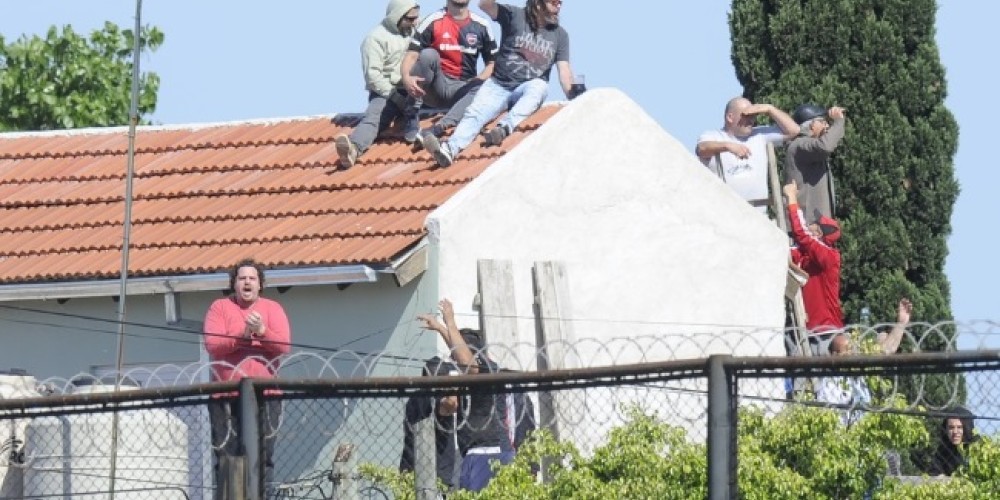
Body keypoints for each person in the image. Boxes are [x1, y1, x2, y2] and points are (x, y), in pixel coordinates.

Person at [423, 0, 581, 168]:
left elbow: (564, 72)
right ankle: (449, 149)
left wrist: (577, 100)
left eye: (560, 2)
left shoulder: (560, 35)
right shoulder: (514, 15)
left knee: (540, 87)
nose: (559, 5)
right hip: (499, 84)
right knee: (475, 114)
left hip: (526, 87)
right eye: (554, 1)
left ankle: (505, 127)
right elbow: (484, 5)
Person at [418, 298, 535, 492]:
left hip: (491, 455)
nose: (454, 360)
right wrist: (440, 328)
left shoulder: (484, 368)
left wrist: (450, 321)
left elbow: (468, 362)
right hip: (474, 455)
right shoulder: (467, 376)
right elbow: (461, 357)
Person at [203, 259, 291, 493]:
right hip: (226, 395)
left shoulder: (273, 309)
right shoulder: (220, 307)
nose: (247, 282)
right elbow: (212, 344)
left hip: (266, 396)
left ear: (260, 284)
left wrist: (262, 332)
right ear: (234, 284)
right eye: (242, 278)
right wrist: (242, 335)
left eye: (252, 278)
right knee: (228, 457)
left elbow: (283, 346)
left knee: (263, 457)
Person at [334, 0, 421, 169]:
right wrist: (395, 97)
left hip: (417, 87)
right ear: (397, 16)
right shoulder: (375, 39)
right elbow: (373, 76)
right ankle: (353, 148)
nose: (414, 22)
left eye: (416, 18)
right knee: (375, 118)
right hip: (387, 92)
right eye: (410, 19)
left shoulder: (416, 31)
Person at [401, 0, 498, 145]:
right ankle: (411, 114)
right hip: (436, 87)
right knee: (428, 54)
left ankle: (439, 127)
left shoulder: (482, 25)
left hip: (462, 89)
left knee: (485, 86)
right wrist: (405, 77)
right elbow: (411, 55)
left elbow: (492, 63)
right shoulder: (433, 20)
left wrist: (478, 80)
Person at [696, 97, 798, 213]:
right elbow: (701, 149)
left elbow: (793, 131)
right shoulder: (714, 136)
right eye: (746, 115)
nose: (751, 120)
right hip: (726, 213)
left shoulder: (759, 135)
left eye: (753, 115)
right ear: (730, 117)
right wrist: (727, 146)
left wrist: (769, 109)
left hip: (758, 214)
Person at [784, 181, 842, 356]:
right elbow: (785, 252)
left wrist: (792, 199)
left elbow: (802, 234)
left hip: (826, 335)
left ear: (819, 234)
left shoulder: (830, 256)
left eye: (815, 224)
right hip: (804, 332)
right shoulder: (806, 255)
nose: (811, 224)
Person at [399, 356, 462, 491]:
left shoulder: (414, 399)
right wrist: (454, 383)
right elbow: (450, 405)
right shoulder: (436, 397)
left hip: (409, 469)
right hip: (435, 475)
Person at [784, 104, 847, 221]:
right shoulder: (799, 145)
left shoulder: (806, 146)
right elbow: (826, 146)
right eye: (823, 122)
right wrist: (838, 121)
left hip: (814, 227)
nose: (827, 126)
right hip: (806, 227)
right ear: (812, 125)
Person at [928, 406, 979, 476]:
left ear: (967, 428)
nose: (955, 432)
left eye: (959, 427)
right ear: (945, 429)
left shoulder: (978, 447)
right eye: (951, 428)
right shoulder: (943, 449)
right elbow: (933, 472)